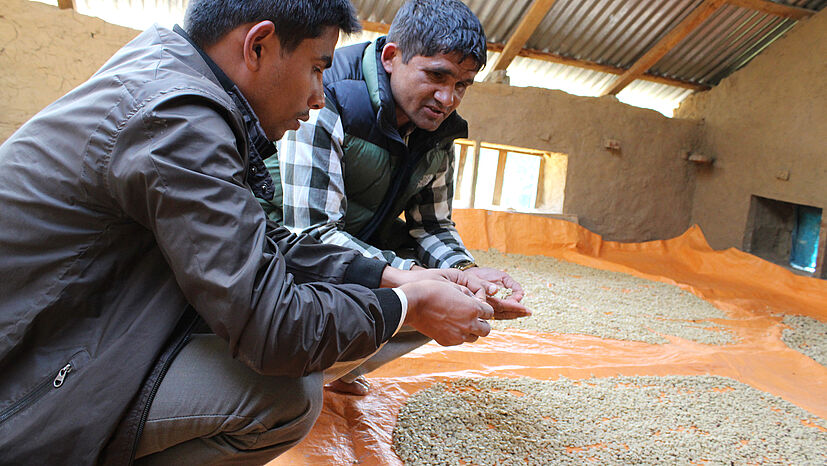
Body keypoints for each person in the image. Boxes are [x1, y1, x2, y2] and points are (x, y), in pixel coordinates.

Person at [0, 0, 509, 463]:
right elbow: (275, 329)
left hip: (89, 316)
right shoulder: (179, 119)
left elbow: (263, 245)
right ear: (258, 45)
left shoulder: (182, 86)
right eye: (315, 69)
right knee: (282, 397)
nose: (316, 96)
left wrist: (392, 278)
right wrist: (409, 305)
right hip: (26, 375)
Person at [258, 0, 528, 396]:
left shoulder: (437, 129)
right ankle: (287, 372)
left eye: (462, 85)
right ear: (390, 57)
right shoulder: (325, 95)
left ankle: (335, 367)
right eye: (437, 75)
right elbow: (312, 233)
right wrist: (417, 279)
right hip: (285, 247)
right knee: (427, 291)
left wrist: (464, 273)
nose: (447, 98)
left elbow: (432, 224)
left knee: (451, 295)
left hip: (351, 239)